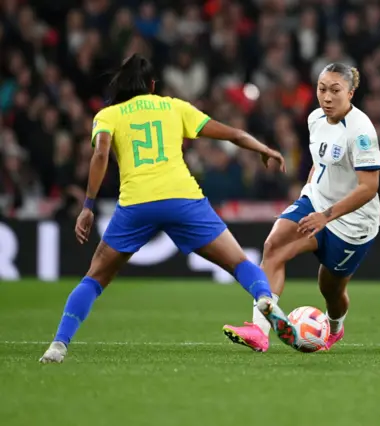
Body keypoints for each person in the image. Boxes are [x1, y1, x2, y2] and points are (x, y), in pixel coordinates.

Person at [39, 54, 297, 363]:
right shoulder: (174, 106)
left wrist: (88, 205)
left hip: (137, 203)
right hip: (183, 199)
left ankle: (58, 344)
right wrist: (263, 148)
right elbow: (232, 133)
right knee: (239, 262)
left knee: (94, 278)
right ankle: (264, 298)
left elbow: (100, 155)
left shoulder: (108, 115)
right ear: (152, 85)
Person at [222, 63, 380, 352]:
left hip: (353, 223)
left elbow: (369, 188)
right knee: (273, 247)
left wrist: (326, 216)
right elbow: (319, 164)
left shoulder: (361, 132)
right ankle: (258, 331)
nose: (327, 97)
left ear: (351, 93)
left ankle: (335, 327)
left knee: (331, 289)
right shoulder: (315, 119)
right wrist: (304, 199)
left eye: (335, 91)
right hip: (316, 203)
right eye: (322, 89)